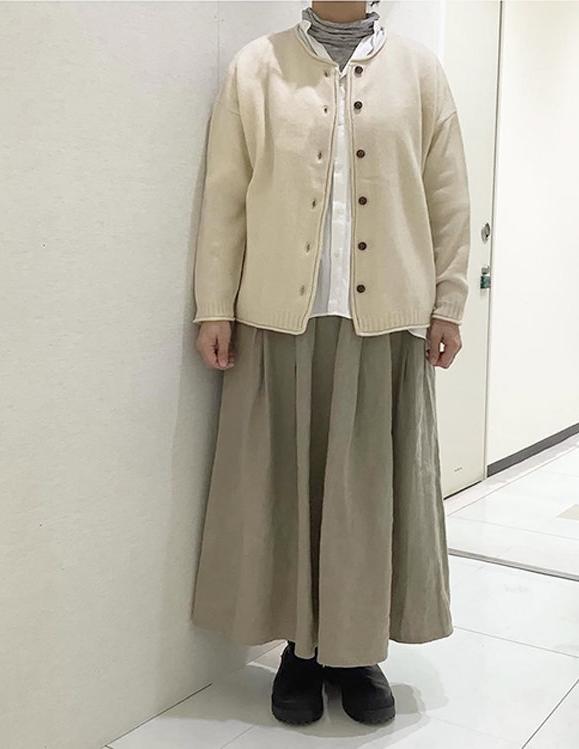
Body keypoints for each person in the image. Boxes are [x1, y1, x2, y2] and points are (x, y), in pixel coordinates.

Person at [190, 0, 471, 728]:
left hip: (386, 323)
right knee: (283, 490)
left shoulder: (420, 72)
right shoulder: (256, 67)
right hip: (279, 318)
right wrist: (213, 303)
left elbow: (448, 196)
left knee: (365, 498)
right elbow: (225, 195)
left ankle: (355, 652)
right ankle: (299, 652)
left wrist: (449, 302)